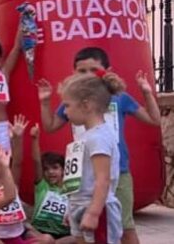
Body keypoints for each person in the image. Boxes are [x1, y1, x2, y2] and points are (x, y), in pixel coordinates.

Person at [38, 47, 159, 244]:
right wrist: (45, 103)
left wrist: (146, 92)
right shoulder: (74, 99)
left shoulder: (118, 99)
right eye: (81, 71)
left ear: (106, 70)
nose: (88, 75)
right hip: (85, 182)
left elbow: (153, 119)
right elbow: (50, 126)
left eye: (93, 70)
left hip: (117, 173)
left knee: (125, 227)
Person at [56, 72, 124, 244]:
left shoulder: (99, 138)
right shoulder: (86, 136)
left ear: (86, 105)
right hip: (80, 205)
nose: (65, 111)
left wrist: (93, 212)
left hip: (96, 208)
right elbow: (79, 176)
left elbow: (103, 179)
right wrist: (71, 208)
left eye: (67, 105)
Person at [29, 125, 72, 243]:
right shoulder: (43, 186)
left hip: (63, 235)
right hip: (39, 231)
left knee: (80, 236)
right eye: (46, 169)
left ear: (63, 170)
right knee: (27, 228)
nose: (50, 172)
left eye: (55, 168)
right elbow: (36, 161)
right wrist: (34, 139)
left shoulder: (72, 190)